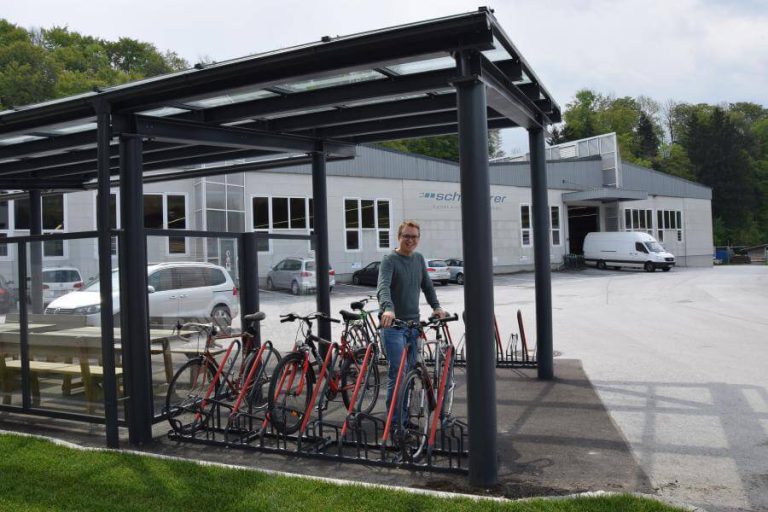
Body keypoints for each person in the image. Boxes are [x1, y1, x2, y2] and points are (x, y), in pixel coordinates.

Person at [377, 220, 446, 429]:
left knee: (411, 373)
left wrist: (436, 307)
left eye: (414, 236)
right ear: (399, 237)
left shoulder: (419, 259)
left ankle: (405, 419)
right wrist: (388, 308)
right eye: (406, 236)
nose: (410, 240)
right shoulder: (389, 260)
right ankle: (396, 424)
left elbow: (427, 285)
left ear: (418, 239)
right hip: (394, 326)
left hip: (414, 326)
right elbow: (383, 287)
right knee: (398, 373)